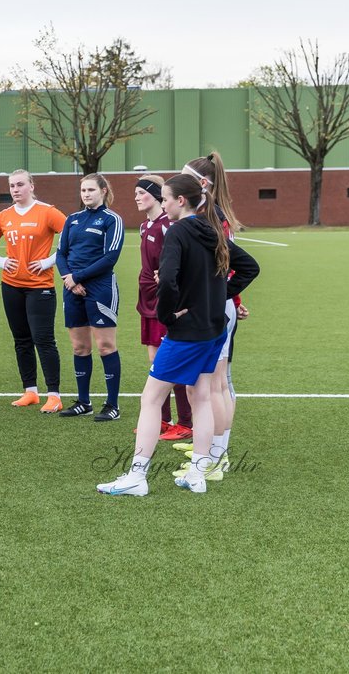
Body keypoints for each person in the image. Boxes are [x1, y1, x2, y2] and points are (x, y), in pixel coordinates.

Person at [97, 174, 258, 496]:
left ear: (180, 201)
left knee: (151, 398)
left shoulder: (179, 231)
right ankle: (198, 473)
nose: (164, 204)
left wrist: (168, 315)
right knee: (200, 396)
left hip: (188, 331)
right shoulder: (211, 228)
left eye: (167, 199)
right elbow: (249, 267)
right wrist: (215, 297)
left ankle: (137, 476)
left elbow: (168, 280)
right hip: (213, 329)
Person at [174, 153, 247, 475]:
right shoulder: (211, 216)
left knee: (215, 385)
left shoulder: (210, 219)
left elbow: (229, 267)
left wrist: (227, 297)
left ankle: (217, 457)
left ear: (202, 184)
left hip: (213, 308)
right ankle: (212, 449)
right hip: (216, 305)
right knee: (208, 386)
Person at [0, 170, 66, 413]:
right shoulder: (4, 216)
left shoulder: (48, 212)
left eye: (20, 185)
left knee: (44, 340)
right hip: (11, 286)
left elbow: (72, 240)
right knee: (21, 340)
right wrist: (0, 261)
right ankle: (30, 391)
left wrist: (48, 262)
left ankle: (54, 395)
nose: (15, 189)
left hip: (40, 287)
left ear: (31, 186)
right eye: (11, 186)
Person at [56, 173, 125, 421]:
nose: (86, 194)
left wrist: (78, 277)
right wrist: (69, 279)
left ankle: (112, 405)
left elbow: (110, 257)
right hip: (71, 287)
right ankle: (83, 402)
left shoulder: (112, 220)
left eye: (91, 190)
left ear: (103, 191)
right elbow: (61, 254)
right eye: (83, 190)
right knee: (79, 347)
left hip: (101, 288)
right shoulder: (72, 220)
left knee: (105, 346)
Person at [133, 175, 192, 440]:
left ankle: (186, 423)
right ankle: (162, 419)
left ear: (156, 195)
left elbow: (178, 263)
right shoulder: (145, 225)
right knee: (156, 361)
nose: (135, 197)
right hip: (146, 297)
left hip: (164, 298)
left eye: (140, 192)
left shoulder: (169, 225)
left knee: (172, 361)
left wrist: (169, 278)